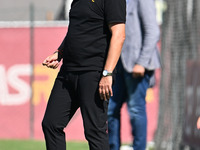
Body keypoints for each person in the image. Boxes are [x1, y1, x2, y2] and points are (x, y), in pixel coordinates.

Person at [41, 0, 126, 149]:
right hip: (68, 72)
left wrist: (107, 73)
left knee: (94, 132)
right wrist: (59, 53)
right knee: (51, 124)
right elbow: (76, 30)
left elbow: (119, 35)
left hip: (94, 73)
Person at [107, 0, 161, 150]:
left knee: (136, 110)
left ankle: (139, 147)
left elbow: (153, 31)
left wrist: (141, 62)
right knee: (110, 109)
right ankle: (113, 147)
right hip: (118, 65)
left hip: (137, 66)